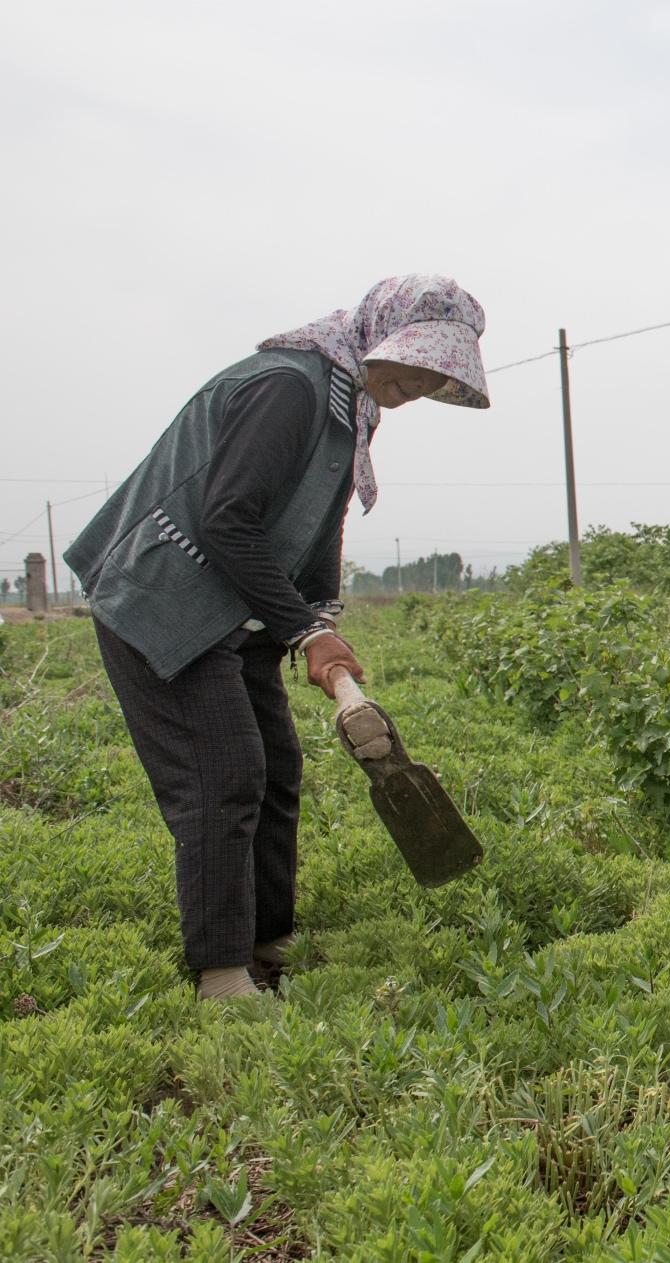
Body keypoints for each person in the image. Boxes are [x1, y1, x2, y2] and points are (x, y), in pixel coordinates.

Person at [65, 275, 490, 1000]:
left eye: (435, 375)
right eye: (418, 364)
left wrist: (320, 620)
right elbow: (228, 517)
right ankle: (222, 974)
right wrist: (301, 630)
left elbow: (318, 526)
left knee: (277, 764)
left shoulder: (346, 404)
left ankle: (268, 937)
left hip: (232, 606)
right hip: (161, 598)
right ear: (381, 335)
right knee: (223, 772)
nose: (420, 383)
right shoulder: (289, 388)